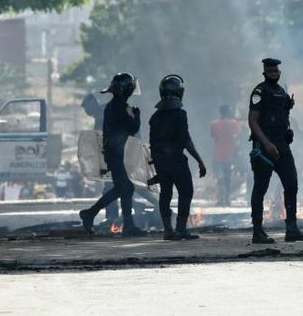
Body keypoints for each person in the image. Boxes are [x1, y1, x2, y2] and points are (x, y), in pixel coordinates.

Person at [248, 58, 303, 244]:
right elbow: (252, 121)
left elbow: (282, 117)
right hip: (264, 147)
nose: (274, 73)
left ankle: (291, 229)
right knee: (260, 188)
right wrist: (267, 144)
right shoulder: (259, 91)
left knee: (291, 185)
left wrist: (288, 132)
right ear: (265, 72)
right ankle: (257, 232)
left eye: (276, 70)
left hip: (282, 146)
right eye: (271, 70)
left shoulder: (281, 91)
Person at [79, 73, 147, 237]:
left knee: (124, 188)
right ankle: (93, 214)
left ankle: (125, 224)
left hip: (115, 154)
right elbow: (133, 129)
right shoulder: (120, 108)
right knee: (126, 187)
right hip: (118, 155)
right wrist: (136, 115)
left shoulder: (112, 106)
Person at [150, 75, 207, 240]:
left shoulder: (155, 117)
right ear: (180, 92)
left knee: (165, 194)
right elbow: (186, 141)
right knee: (186, 191)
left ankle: (168, 230)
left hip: (161, 162)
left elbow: (152, 144)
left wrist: (157, 165)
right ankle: (181, 229)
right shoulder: (180, 115)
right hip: (176, 161)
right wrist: (200, 161)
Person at [81, 93, 119, 221]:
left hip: (113, 156)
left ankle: (111, 217)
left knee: (113, 188)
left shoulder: (103, 114)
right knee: (118, 188)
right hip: (110, 157)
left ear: (92, 105)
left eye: (86, 108)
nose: (86, 111)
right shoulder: (100, 114)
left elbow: (103, 138)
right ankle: (114, 217)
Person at [211, 105, 242, 206]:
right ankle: (227, 199)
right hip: (230, 154)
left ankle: (221, 199)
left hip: (218, 155)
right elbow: (238, 135)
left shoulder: (214, 124)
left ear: (220, 112)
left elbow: (213, 135)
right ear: (229, 112)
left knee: (220, 178)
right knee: (227, 177)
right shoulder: (235, 124)